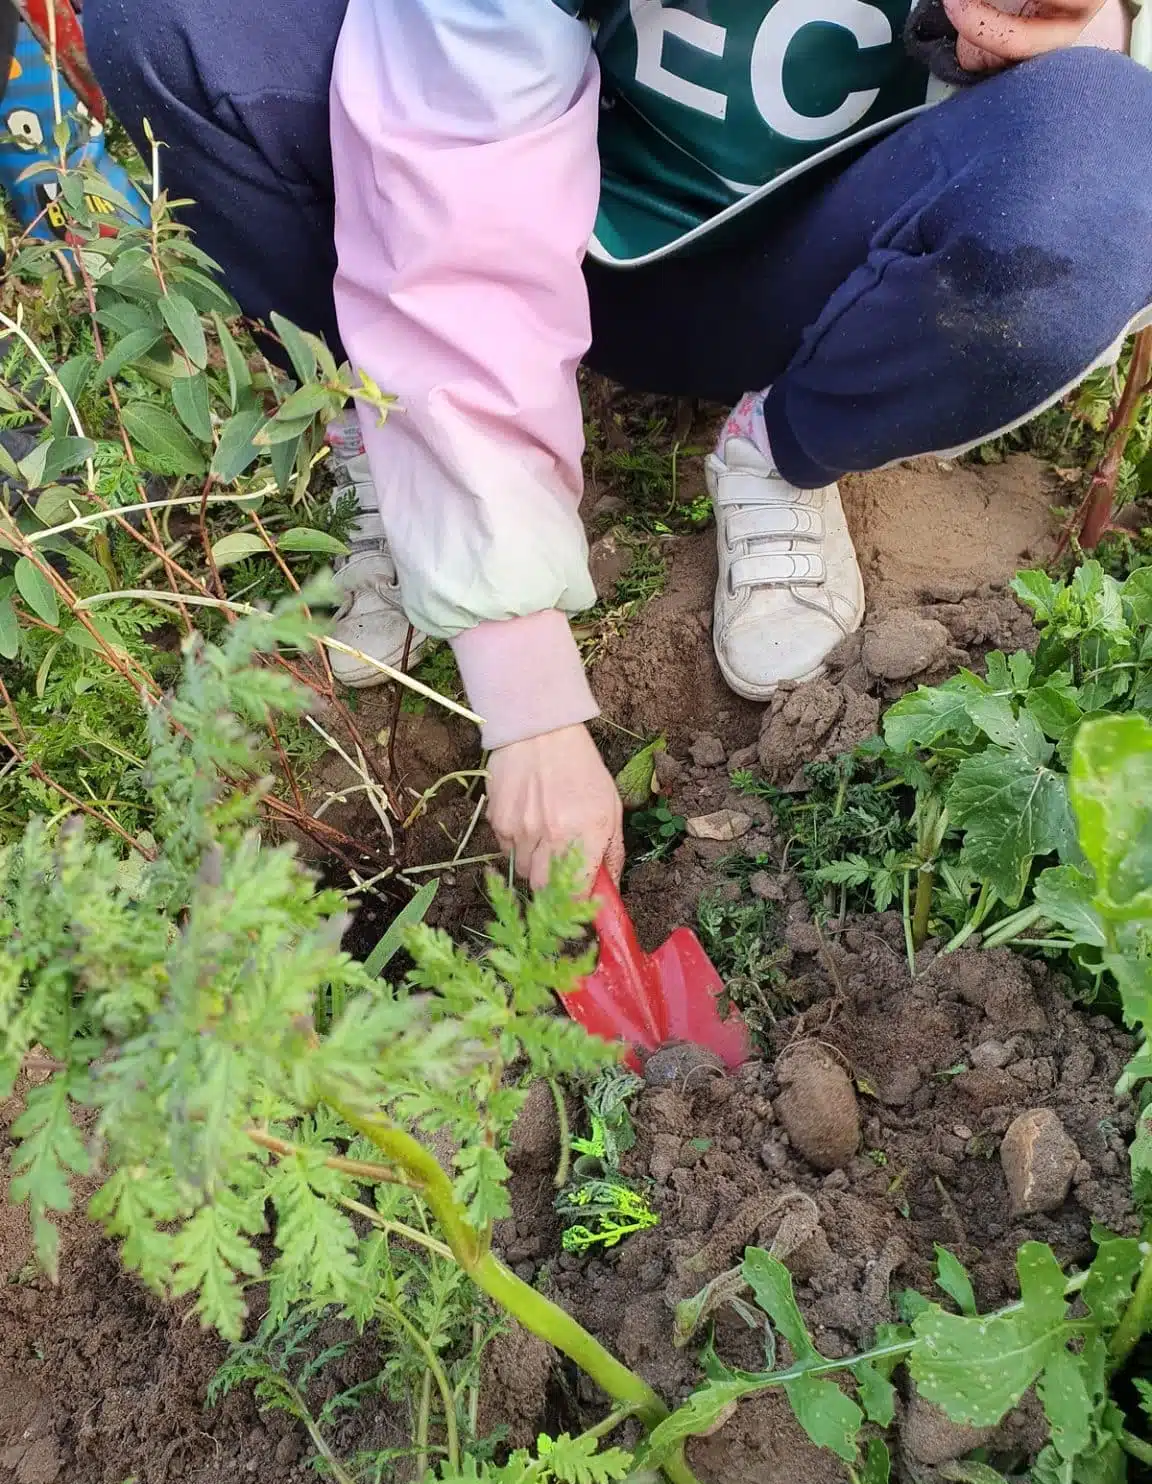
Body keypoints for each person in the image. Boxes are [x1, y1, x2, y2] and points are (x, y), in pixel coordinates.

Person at [83, 0, 1152, 889]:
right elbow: (455, 191)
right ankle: (385, 415)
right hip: (571, 213)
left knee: (1107, 171)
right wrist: (529, 701)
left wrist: (1094, 23)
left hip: (819, 253)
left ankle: (781, 444)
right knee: (181, 21)